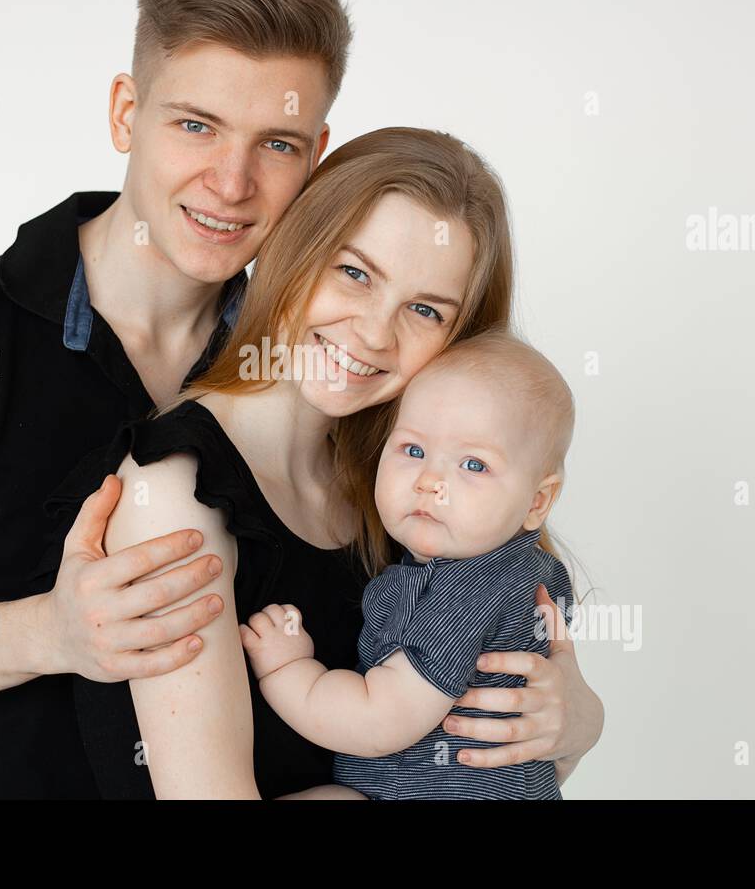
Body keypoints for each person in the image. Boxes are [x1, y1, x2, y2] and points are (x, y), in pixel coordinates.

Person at [40, 127, 601, 798]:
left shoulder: (409, 495)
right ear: (296, 250)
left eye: (424, 309)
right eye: (354, 273)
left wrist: (577, 725)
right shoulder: (173, 492)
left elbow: (501, 768)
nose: (372, 332)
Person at [241, 331, 578, 799]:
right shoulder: (522, 570)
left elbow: (379, 720)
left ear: (537, 502)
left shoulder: (470, 591)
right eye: (414, 451)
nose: (430, 482)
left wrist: (289, 671)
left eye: (474, 465)